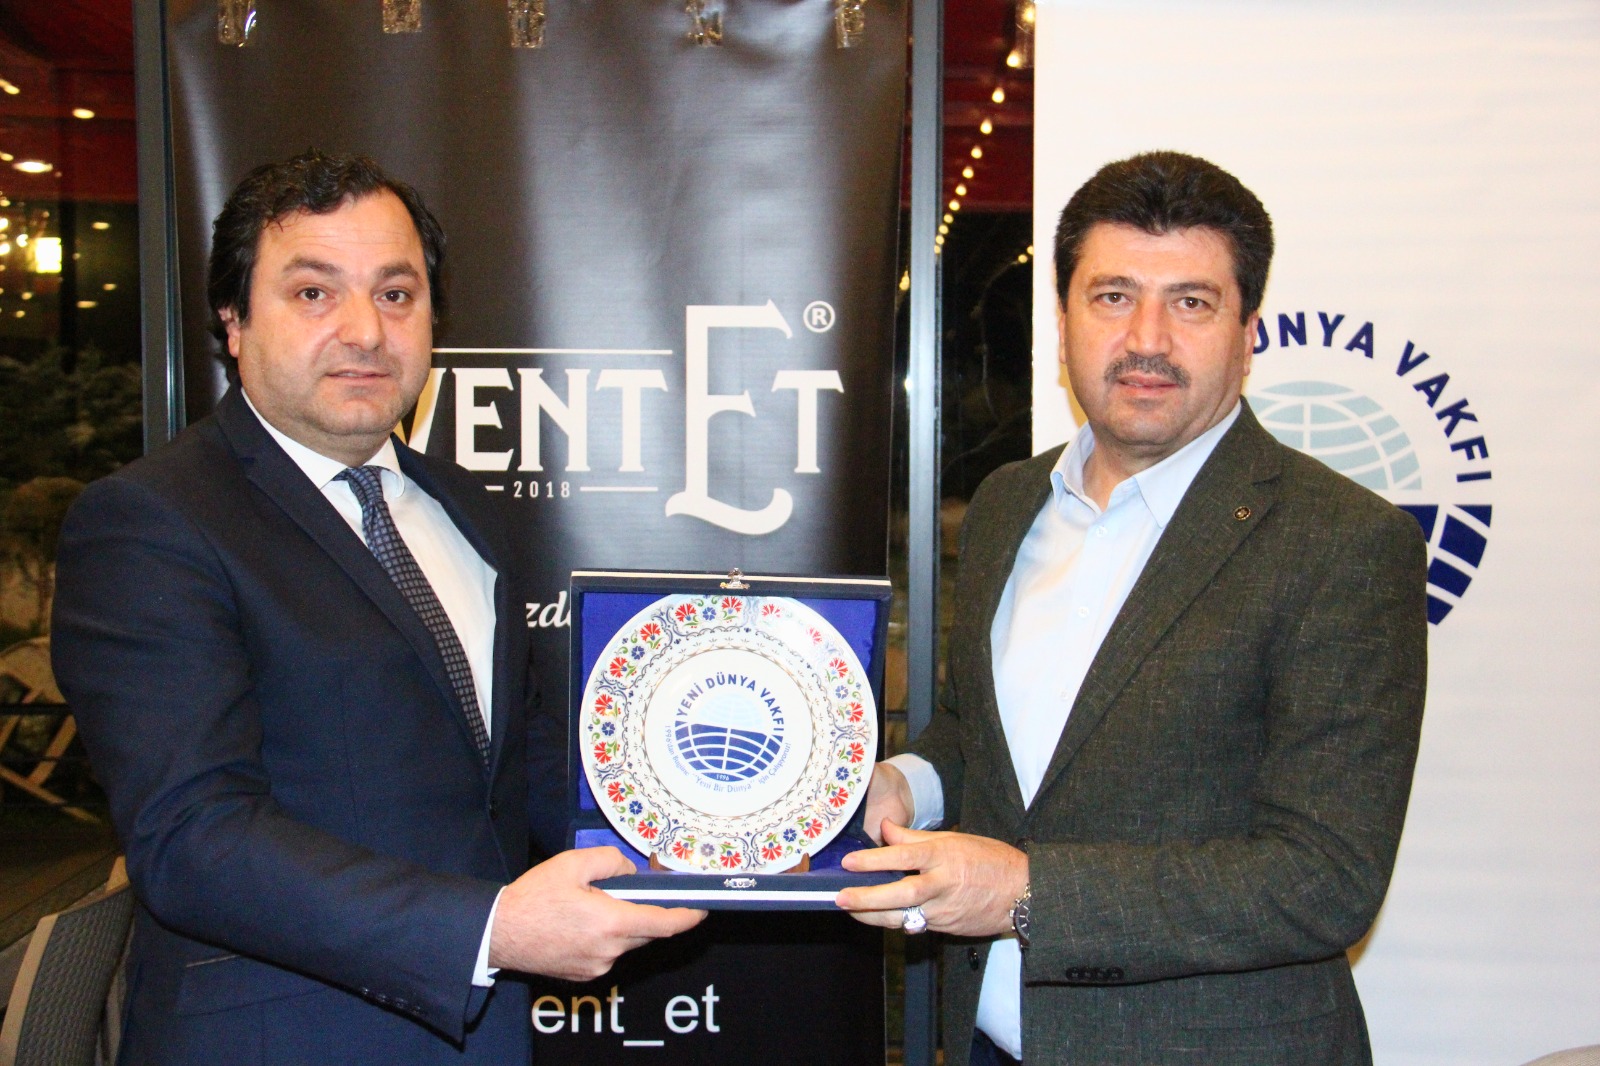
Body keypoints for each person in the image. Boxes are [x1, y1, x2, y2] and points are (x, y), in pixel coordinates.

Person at [50, 150, 703, 1064]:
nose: (364, 331)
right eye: (314, 294)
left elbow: (521, 767)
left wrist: (734, 819)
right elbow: (192, 839)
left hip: (482, 1037)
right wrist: (490, 930)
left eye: (396, 295)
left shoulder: (462, 507)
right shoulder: (150, 521)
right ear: (233, 320)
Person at [837, 151, 1428, 1065]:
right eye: (1113, 296)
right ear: (1064, 320)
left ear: (1248, 333)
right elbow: (977, 734)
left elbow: (1325, 876)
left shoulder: (1343, 541)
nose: (1147, 338)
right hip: (989, 1039)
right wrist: (901, 786)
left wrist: (1026, 891)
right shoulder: (1007, 503)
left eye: (1191, 302)